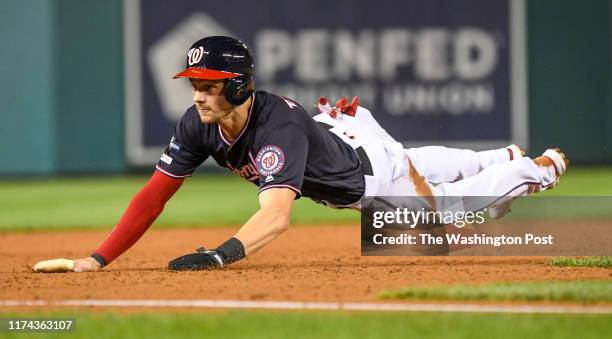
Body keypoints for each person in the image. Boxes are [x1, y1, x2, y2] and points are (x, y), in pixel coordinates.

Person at [34, 36, 568, 272]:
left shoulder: (276, 128)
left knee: (439, 218)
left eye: (210, 83)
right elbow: (154, 196)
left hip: (368, 174)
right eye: (194, 81)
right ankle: (497, 156)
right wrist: (97, 258)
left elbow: (277, 216)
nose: (198, 93)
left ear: (240, 86)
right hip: (347, 133)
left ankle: (537, 168)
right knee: (417, 162)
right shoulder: (199, 122)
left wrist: (223, 254)